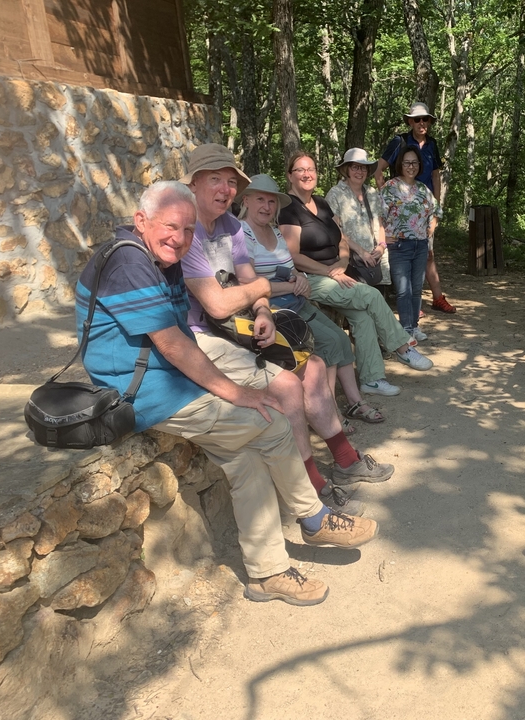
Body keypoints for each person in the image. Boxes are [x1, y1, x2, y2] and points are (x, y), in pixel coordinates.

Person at [74, 180, 379, 607]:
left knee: (245, 456)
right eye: (170, 227)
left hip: (166, 377)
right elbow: (174, 344)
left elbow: (182, 335)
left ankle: (267, 573)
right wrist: (234, 391)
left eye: (186, 230)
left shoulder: (158, 257)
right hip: (142, 391)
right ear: (140, 220)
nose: (179, 239)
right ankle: (313, 516)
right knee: (268, 424)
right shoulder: (129, 261)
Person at [178, 144, 393, 501]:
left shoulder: (229, 225)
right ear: (193, 185)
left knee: (316, 362)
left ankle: (344, 459)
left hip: (243, 322)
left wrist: (262, 309)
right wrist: (263, 290)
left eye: (230, 181)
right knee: (292, 382)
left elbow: (250, 282)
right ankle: (310, 483)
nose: (224, 189)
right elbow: (218, 304)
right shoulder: (189, 231)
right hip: (202, 333)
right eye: (214, 179)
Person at [278, 151, 433, 395]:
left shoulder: (321, 203)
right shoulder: (288, 208)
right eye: (300, 170)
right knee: (371, 296)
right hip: (310, 278)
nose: (307, 174)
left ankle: (372, 379)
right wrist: (330, 272)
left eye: (311, 169)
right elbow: (293, 255)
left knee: (362, 318)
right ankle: (403, 348)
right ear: (290, 175)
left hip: (336, 273)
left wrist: (341, 263)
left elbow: (340, 238)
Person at [238, 173, 385, 428]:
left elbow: (289, 264)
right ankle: (328, 415)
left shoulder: (274, 230)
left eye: (272, 202)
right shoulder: (242, 234)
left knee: (339, 338)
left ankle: (354, 401)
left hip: (295, 299)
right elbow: (249, 284)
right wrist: (292, 284)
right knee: (326, 343)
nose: (266, 206)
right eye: (260, 199)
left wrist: (300, 277)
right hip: (271, 308)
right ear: (246, 201)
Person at [374, 101, 456, 314]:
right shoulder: (399, 141)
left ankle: (435, 298)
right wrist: (391, 202)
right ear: (410, 121)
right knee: (402, 254)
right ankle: (409, 302)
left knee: (427, 253)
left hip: (424, 211)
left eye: (425, 119)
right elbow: (378, 170)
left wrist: (435, 211)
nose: (422, 123)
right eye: (417, 119)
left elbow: (435, 176)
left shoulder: (432, 144)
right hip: (400, 216)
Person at [380, 146, 442, 341]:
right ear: (400, 164)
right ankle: (405, 330)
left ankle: (414, 327)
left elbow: (436, 211)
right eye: (407, 162)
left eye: (414, 163)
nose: (411, 166)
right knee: (403, 289)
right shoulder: (390, 187)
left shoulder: (423, 189)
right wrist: (383, 238)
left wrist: (431, 227)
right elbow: (378, 216)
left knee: (416, 288)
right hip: (399, 246)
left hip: (420, 245)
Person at [325, 147, 390, 291]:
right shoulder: (335, 194)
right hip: (350, 262)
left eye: (363, 168)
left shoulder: (372, 193)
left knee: (378, 303)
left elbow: (380, 225)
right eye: (355, 167)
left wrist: (381, 246)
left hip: (376, 261)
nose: (359, 172)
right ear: (347, 169)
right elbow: (335, 230)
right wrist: (361, 251)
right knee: (357, 303)